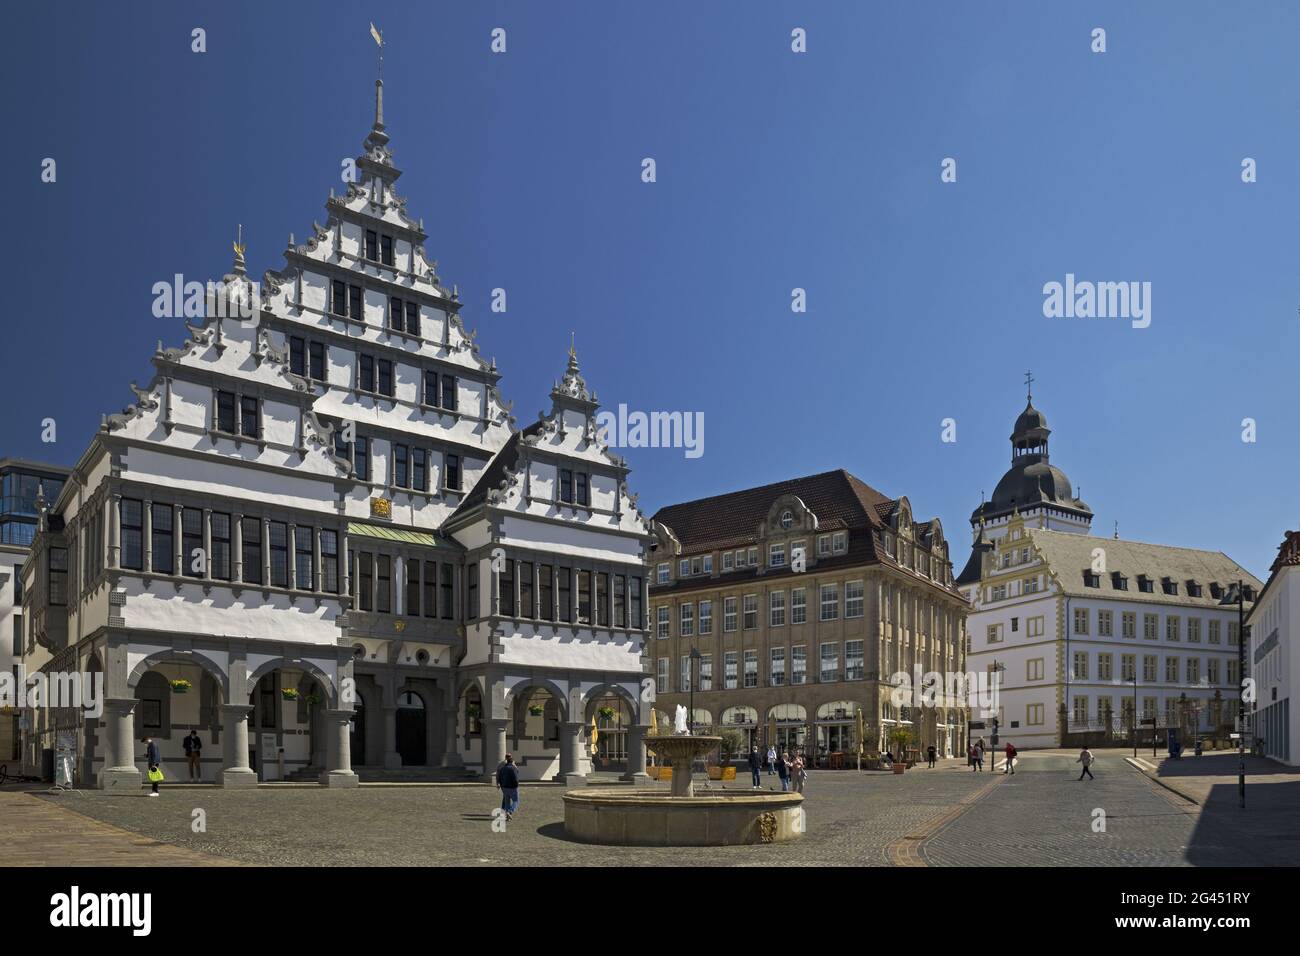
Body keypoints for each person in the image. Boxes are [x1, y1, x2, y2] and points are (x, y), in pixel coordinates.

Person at [497, 754, 520, 819]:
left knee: (507, 801)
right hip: (512, 787)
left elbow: (499, 776)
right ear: (512, 761)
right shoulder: (513, 768)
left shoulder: (503, 767)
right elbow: (516, 776)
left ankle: (506, 814)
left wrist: (499, 784)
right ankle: (509, 811)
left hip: (504, 787)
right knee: (516, 801)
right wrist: (516, 785)